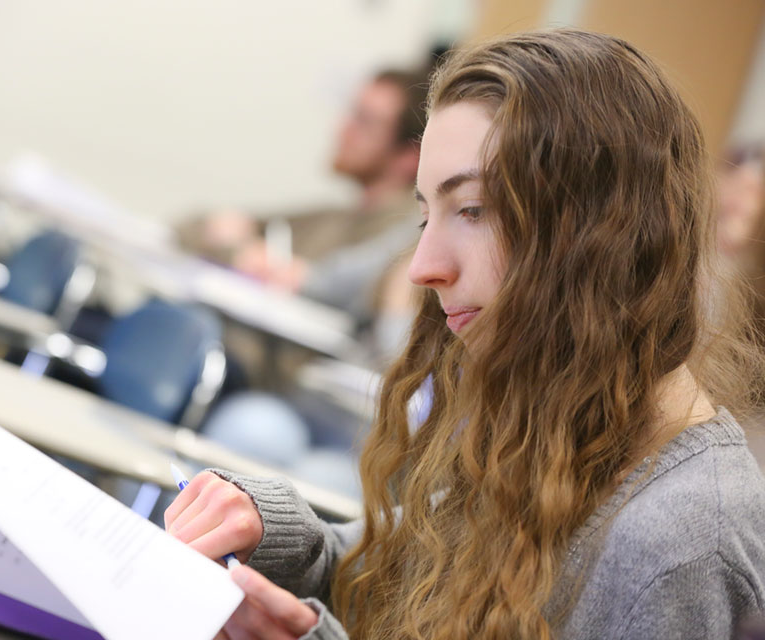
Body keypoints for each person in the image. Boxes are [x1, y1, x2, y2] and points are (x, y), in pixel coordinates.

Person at [163, 29, 765, 640]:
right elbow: (393, 579)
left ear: (602, 232)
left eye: (473, 210)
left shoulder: (685, 542)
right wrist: (272, 532)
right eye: (426, 215)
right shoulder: (548, 417)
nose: (424, 267)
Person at [178, 68, 427, 328]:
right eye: (351, 113)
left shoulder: (403, 243)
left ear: (410, 156)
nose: (343, 129)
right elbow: (192, 226)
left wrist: (243, 255)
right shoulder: (331, 218)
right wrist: (241, 253)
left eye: (364, 121)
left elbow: (314, 287)